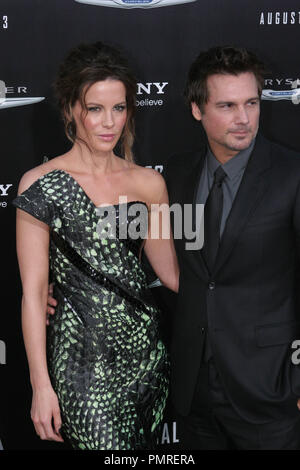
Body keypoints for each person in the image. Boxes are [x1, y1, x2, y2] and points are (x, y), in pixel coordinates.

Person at [12, 41, 179, 450]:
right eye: (95, 109)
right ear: (71, 110)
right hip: (82, 364)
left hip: (146, 359)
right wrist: (40, 385)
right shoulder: (41, 184)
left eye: (119, 108)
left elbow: (173, 275)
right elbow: (34, 295)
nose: (109, 122)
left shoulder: (148, 183)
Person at [163, 46, 300, 450]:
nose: (243, 119)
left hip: (269, 391)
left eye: (251, 103)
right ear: (196, 110)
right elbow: (156, 257)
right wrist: (63, 290)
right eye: (227, 105)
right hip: (194, 392)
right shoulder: (176, 173)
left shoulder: (292, 175)